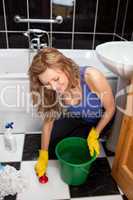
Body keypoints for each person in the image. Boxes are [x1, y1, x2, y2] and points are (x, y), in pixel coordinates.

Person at [28, 48, 115, 178]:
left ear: (65, 67)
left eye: (56, 79)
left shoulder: (91, 76)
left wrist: (95, 134)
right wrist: (43, 155)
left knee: (81, 151)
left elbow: (110, 109)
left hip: (99, 119)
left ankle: (94, 135)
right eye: (47, 83)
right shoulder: (51, 89)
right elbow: (48, 123)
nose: (54, 87)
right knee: (52, 147)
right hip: (78, 117)